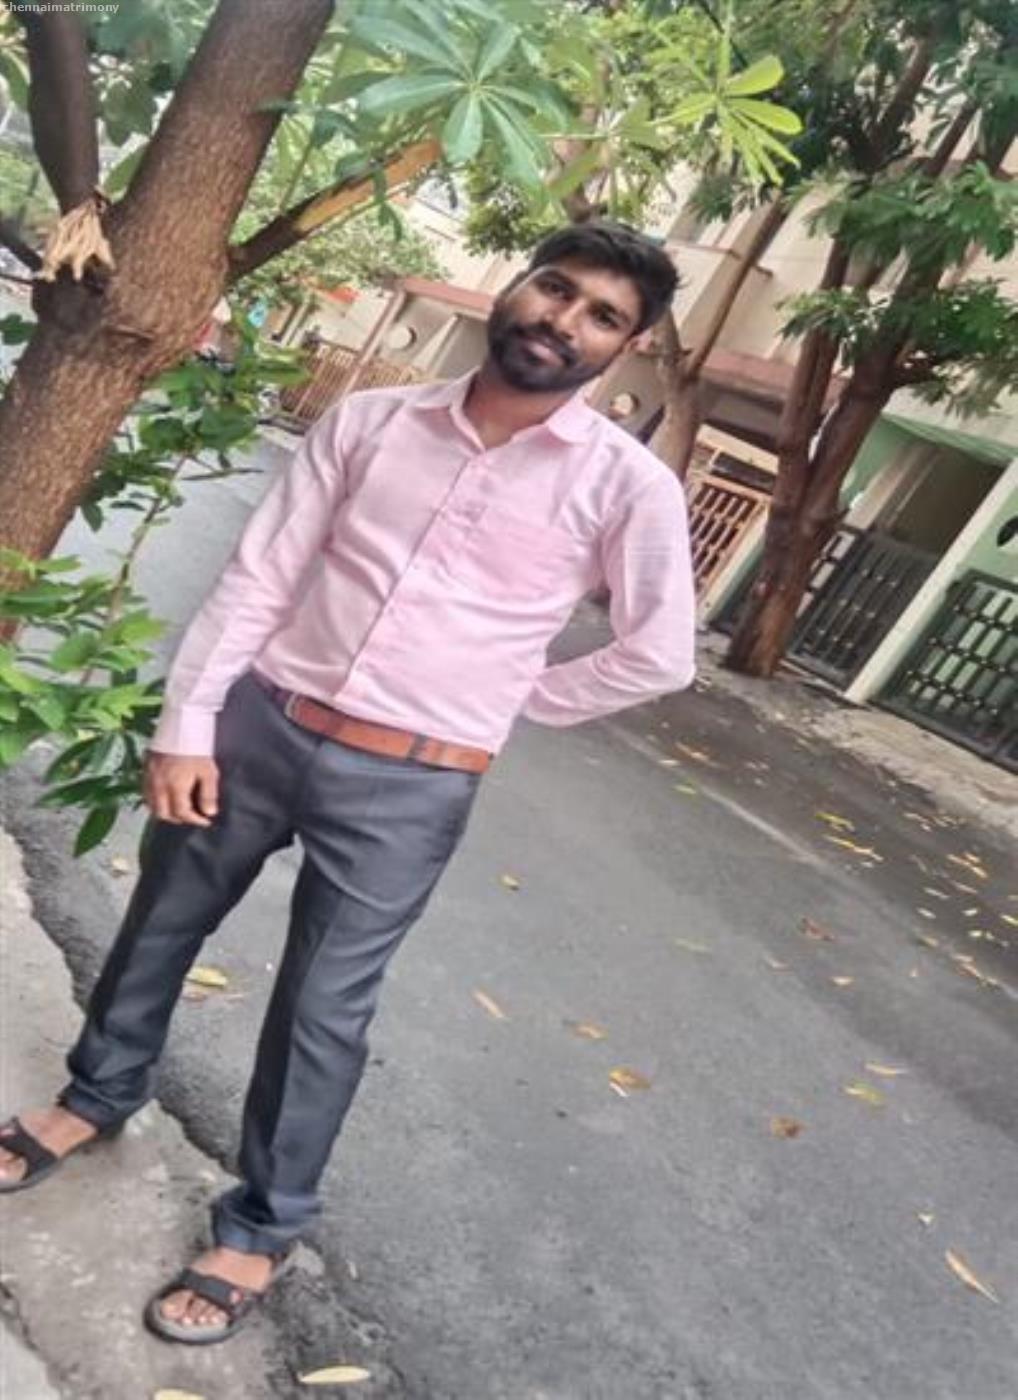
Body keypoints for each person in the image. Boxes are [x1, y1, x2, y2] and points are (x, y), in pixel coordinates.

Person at [0, 221, 696, 1344]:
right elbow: (261, 573)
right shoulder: (374, 421)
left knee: (326, 1006)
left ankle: (260, 1227)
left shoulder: (626, 488)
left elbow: (658, 652)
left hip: (411, 785)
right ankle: (96, 1094)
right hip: (261, 725)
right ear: (515, 285)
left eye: (601, 316)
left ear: (630, 346)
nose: (562, 321)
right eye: (554, 287)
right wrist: (187, 725)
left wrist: (508, 700)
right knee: (160, 922)